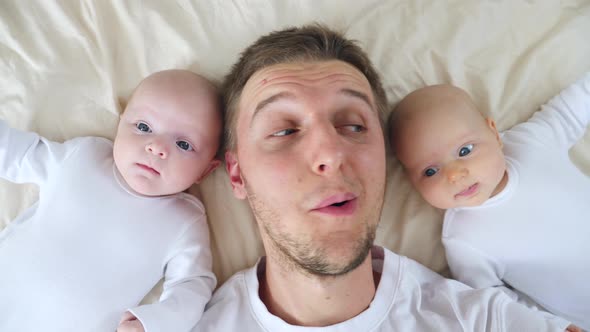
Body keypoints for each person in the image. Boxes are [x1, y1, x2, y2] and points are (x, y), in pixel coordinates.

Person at [194, 24, 575, 331]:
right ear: (237, 174)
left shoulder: (488, 320)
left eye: (353, 125)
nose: (330, 154)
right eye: (284, 131)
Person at [0, 69, 220, 332]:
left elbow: (193, 286)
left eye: (183, 144)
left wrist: (156, 322)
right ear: (120, 123)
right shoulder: (85, 157)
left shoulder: (185, 220)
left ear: (206, 170)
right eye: (143, 127)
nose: (156, 147)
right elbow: (20, 155)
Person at [389, 76, 590, 330]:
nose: (454, 175)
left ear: (494, 133)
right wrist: (554, 325)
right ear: (413, 183)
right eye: (430, 171)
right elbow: (495, 301)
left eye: (465, 151)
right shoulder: (463, 241)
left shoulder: (529, 143)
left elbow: (568, 113)